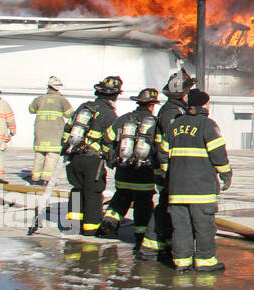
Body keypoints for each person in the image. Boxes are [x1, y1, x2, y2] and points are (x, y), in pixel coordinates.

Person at [159, 88, 231, 273]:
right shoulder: (208, 125)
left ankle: (182, 263)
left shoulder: (174, 125)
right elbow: (218, 154)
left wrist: (170, 176)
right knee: (204, 227)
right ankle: (205, 261)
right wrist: (226, 174)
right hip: (201, 190)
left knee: (181, 228)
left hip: (176, 190)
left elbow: (162, 155)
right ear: (203, 105)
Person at [139, 70, 194, 261]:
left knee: (167, 205)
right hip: (166, 169)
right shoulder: (172, 113)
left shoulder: (174, 110)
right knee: (164, 206)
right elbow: (177, 141)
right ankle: (150, 246)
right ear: (182, 94)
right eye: (189, 91)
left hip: (169, 167)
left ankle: (163, 242)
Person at [61, 76, 123, 237]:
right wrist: (112, 160)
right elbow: (108, 141)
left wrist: (66, 151)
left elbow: (68, 129)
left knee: (77, 189)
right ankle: (90, 228)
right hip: (93, 160)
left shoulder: (84, 107)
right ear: (115, 95)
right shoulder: (110, 114)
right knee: (93, 192)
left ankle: (73, 226)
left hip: (74, 156)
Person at [99, 88, 161, 244]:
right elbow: (159, 147)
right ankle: (140, 235)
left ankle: (109, 224)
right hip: (144, 173)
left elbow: (107, 138)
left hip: (123, 170)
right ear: (151, 105)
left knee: (120, 198)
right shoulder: (155, 123)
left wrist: (112, 158)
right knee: (143, 203)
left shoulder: (124, 119)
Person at [28, 76, 72, 185]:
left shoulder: (39, 99)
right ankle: (46, 180)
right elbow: (70, 114)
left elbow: (31, 110)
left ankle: (35, 178)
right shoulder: (62, 100)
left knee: (39, 155)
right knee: (52, 156)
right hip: (55, 133)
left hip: (40, 132)